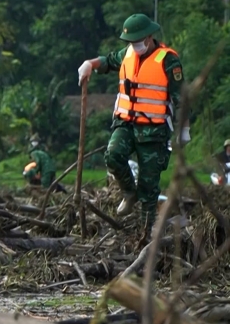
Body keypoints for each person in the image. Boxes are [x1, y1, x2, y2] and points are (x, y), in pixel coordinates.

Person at [77, 13, 187, 236]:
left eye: (137, 41)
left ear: (148, 37)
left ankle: (146, 236)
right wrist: (89, 64)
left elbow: (181, 97)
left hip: (154, 132)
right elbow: (107, 61)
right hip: (126, 123)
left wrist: (184, 129)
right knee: (113, 155)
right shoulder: (126, 54)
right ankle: (129, 192)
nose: (133, 46)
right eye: (130, 42)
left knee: (149, 188)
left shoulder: (168, 60)